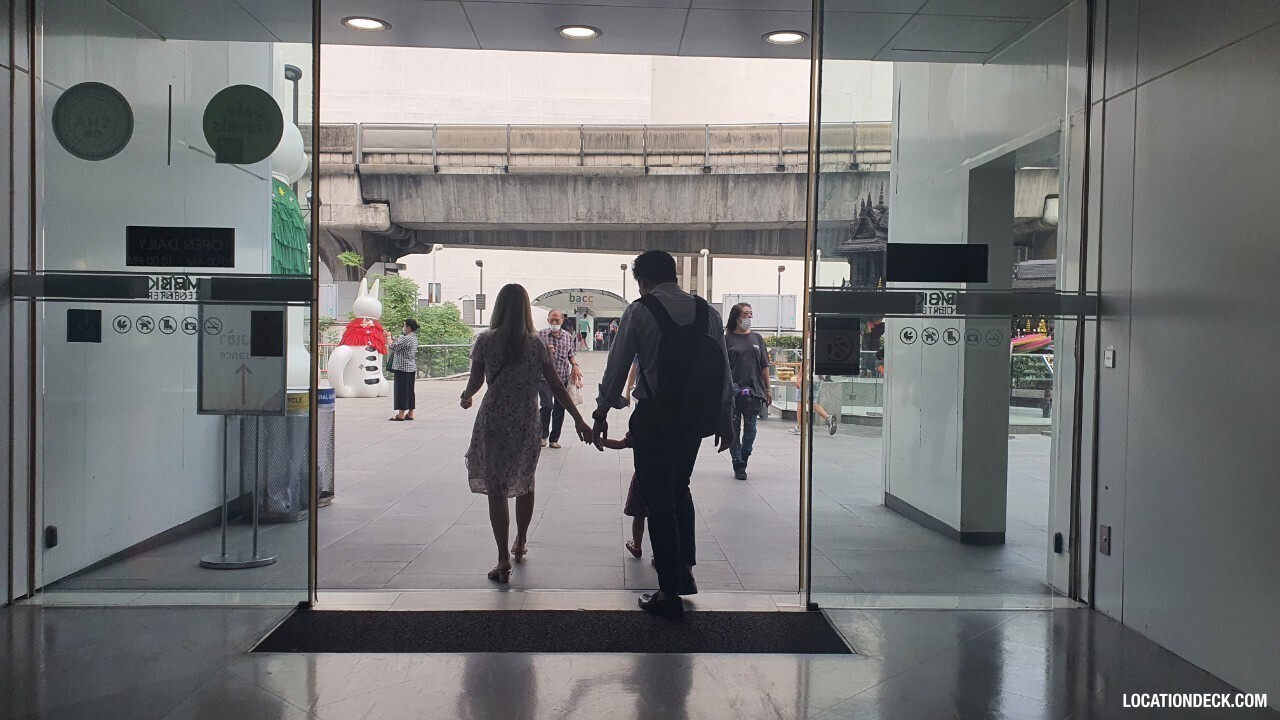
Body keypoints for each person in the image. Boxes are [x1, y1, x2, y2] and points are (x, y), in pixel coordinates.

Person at [593, 250, 732, 617]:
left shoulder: (640, 311)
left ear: (643, 280)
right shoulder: (708, 312)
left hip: (656, 419)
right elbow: (724, 371)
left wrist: (602, 410)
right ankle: (684, 571)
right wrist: (726, 418)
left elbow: (618, 365)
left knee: (658, 500)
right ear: (674, 274)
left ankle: (668, 593)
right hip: (695, 420)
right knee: (679, 488)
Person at [461, 284, 592, 583]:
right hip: (525, 419)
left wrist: (465, 396)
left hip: (493, 418)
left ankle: (502, 558)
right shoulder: (536, 345)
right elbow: (556, 386)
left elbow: (475, 381)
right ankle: (520, 541)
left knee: (497, 488)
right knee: (525, 481)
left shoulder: (485, 341)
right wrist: (579, 419)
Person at [724, 303, 772, 480]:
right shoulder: (727, 339)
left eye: (751, 313)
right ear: (737, 317)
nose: (749, 317)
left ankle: (744, 455)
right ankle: (737, 463)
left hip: (754, 391)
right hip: (733, 391)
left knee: (750, 431)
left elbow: (764, 365)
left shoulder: (757, 338)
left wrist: (768, 389)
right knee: (734, 429)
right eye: (745, 314)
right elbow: (722, 367)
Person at [536, 309, 582, 449]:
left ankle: (554, 439)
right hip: (544, 379)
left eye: (557, 320)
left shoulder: (568, 336)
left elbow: (571, 353)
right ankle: (542, 436)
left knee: (559, 409)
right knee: (547, 406)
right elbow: (533, 356)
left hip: (562, 378)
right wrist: (545, 352)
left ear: (562, 321)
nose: (554, 323)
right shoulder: (540, 335)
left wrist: (575, 365)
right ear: (548, 320)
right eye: (552, 320)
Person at [599, 432, 647, 559]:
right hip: (666, 477)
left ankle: (637, 545)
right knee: (661, 516)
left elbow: (620, 444)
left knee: (639, 515)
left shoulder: (641, 430)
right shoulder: (669, 429)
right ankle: (660, 553)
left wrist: (597, 439)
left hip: (643, 477)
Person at [387, 318, 419, 421]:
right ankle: (410, 413)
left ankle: (400, 414)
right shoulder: (413, 338)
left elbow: (392, 347)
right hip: (411, 367)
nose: (403, 328)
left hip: (402, 368)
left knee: (401, 391)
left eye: (404, 326)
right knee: (410, 391)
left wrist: (388, 337)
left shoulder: (406, 338)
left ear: (408, 328)